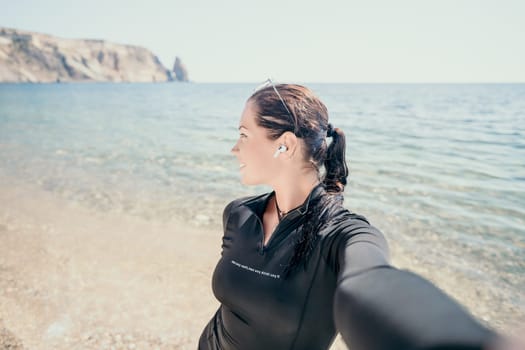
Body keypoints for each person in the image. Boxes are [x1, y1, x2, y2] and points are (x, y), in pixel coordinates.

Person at [198, 80, 499, 350]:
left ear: (284, 145)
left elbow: (372, 281)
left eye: (243, 134)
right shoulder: (239, 214)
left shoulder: (342, 236)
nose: (234, 148)